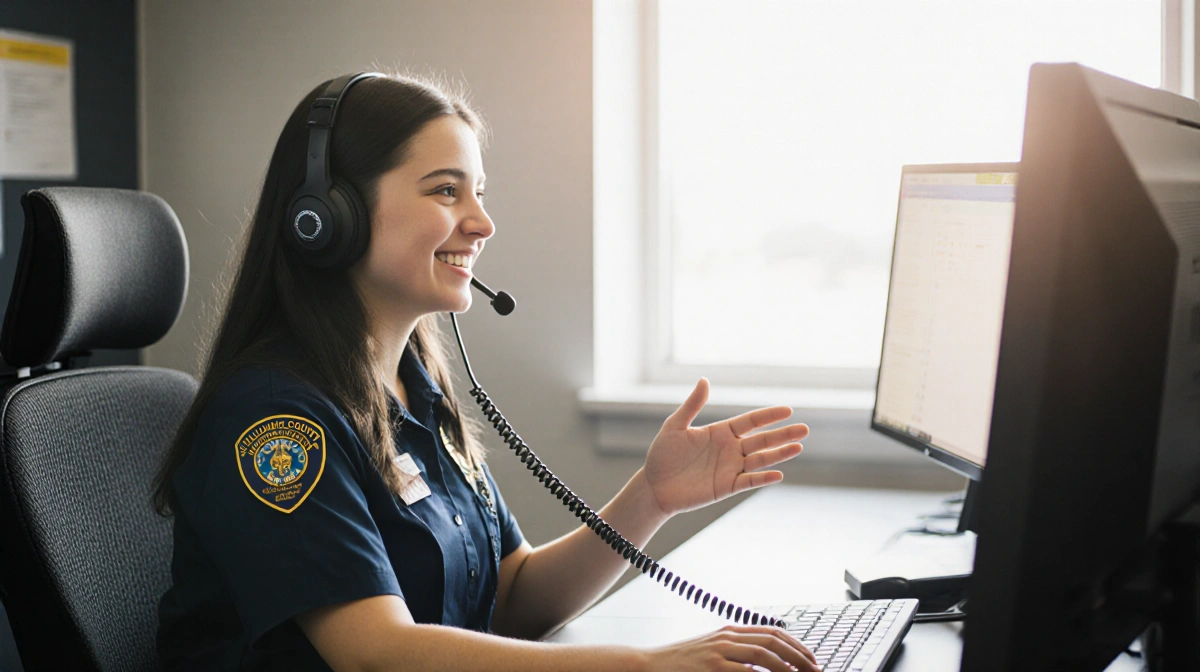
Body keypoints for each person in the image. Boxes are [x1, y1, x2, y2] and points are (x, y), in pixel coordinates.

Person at [152, 71, 816, 671]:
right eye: (446, 191)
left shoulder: (415, 389)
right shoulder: (275, 418)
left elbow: (514, 596)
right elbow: (374, 654)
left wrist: (651, 496)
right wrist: (643, 667)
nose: (482, 222)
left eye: (479, 192)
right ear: (329, 218)